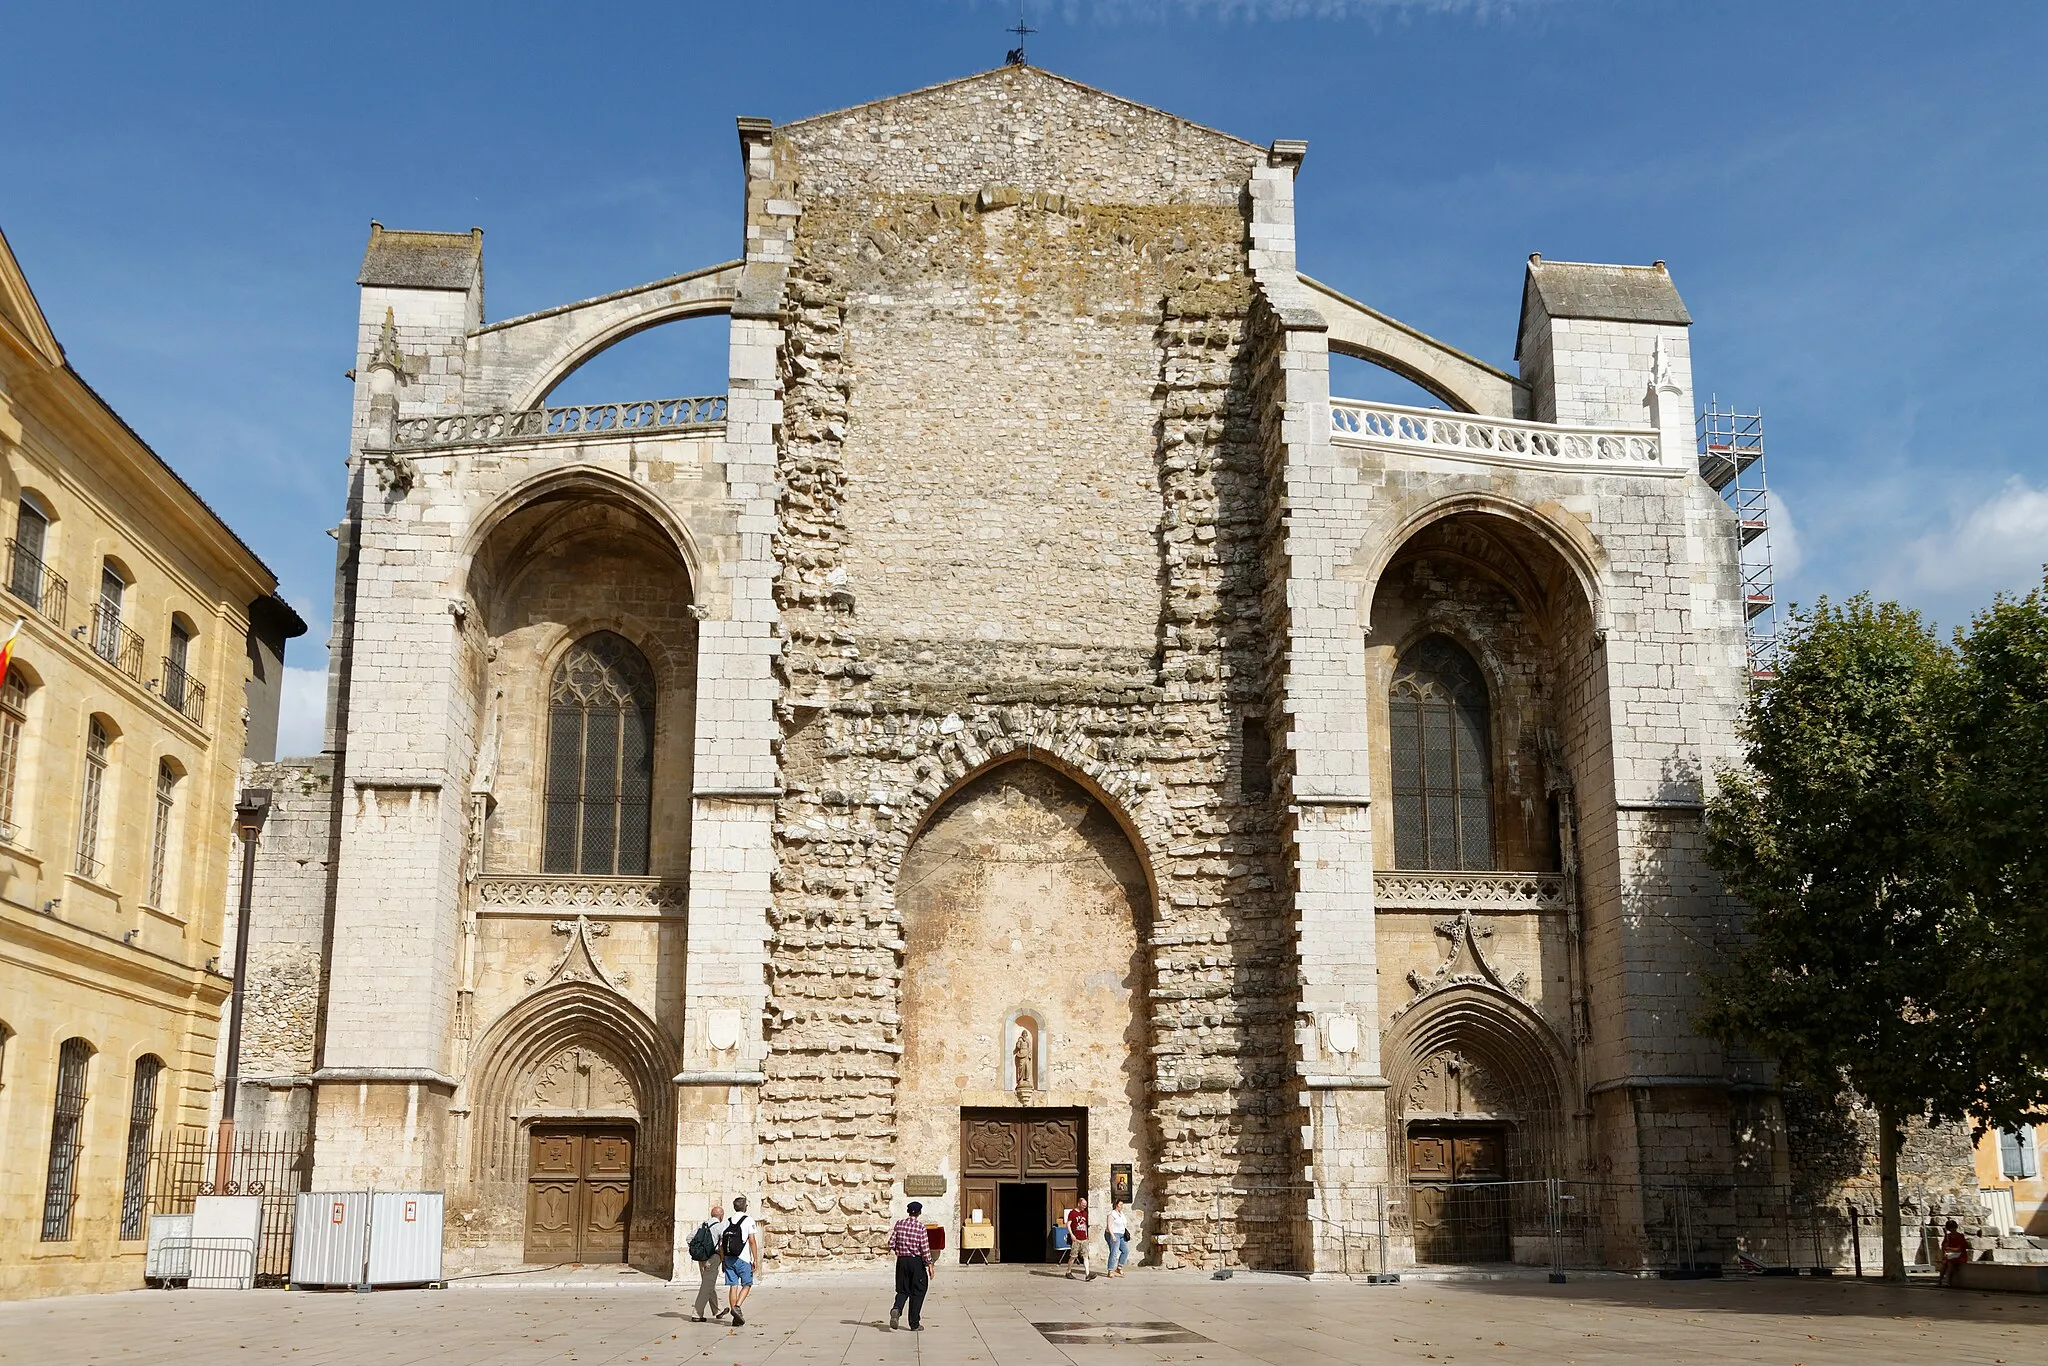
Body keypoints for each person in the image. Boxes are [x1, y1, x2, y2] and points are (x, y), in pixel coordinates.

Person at [887, 1200, 935, 1331]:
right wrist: (930, 1264)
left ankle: (897, 1308)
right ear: (919, 1212)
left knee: (903, 1289)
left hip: (902, 1262)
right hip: (916, 1262)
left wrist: (900, 1252)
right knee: (918, 1290)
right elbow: (924, 1248)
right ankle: (914, 1323)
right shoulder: (920, 1227)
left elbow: (891, 1243)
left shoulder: (899, 1224)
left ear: (908, 1211)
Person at [687, 1201, 728, 1322]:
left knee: (708, 1283)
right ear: (721, 1216)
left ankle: (717, 1310)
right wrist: (723, 1258)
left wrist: (699, 1251)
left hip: (701, 1258)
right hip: (713, 1258)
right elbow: (723, 1244)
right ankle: (697, 1313)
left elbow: (689, 1238)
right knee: (706, 1285)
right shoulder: (721, 1226)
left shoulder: (703, 1225)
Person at [722, 1195, 759, 1325]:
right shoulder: (748, 1220)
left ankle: (735, 1317)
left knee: (733, 1286)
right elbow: (752, 1241)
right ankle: (737, 1307)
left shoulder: (728, 1221)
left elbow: (722, 1242)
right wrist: (755, 1259)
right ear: (745, 1207)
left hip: (728, 1258)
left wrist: (723, 1259)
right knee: (747, 1284)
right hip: (743, 1258)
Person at [1065, 1196, 1092, 1280]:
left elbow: (1085, 1225)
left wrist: (1087, 1236)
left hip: (1084, 1238)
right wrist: (1072, 1235)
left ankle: (1088, 1275)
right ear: (1079, 1203)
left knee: (1085, 1256)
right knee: (1073, 1256)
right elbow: (1068, 1224)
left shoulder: (1085, 1214)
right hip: (1076, 1238)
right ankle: (1068, 1271)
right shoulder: (1072, 1213)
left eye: (1086, 1205)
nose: (1085, 1206)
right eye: (1083, 1204)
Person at [1939, 1218, 1970, 1286]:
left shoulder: (1960, 1236)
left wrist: (1949, 1249)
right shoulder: (1948, 1236)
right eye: (1951, 1228)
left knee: (1950, 1263)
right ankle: (1940, 1280)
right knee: (1944, 1263)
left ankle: (1948, 1281)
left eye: (1953, 1228)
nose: (1952, 1230)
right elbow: (1944, 1246)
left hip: (1960, 1254)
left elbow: (1960, 1248)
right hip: (1953, 1254)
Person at [1105, 1200, 1130, 1278]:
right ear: (1116, 1205)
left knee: (1125, 1251)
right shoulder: (1112, 1214)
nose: (1121, 1207)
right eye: (1120, 1205)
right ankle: (1110, 1270)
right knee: (1114, 1252)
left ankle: (1119, 1267)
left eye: (1122, 1205)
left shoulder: (1121, 1214)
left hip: (1121, 1235)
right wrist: (1113, 1236)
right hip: (1114, 1233)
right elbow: (1109, 1226)